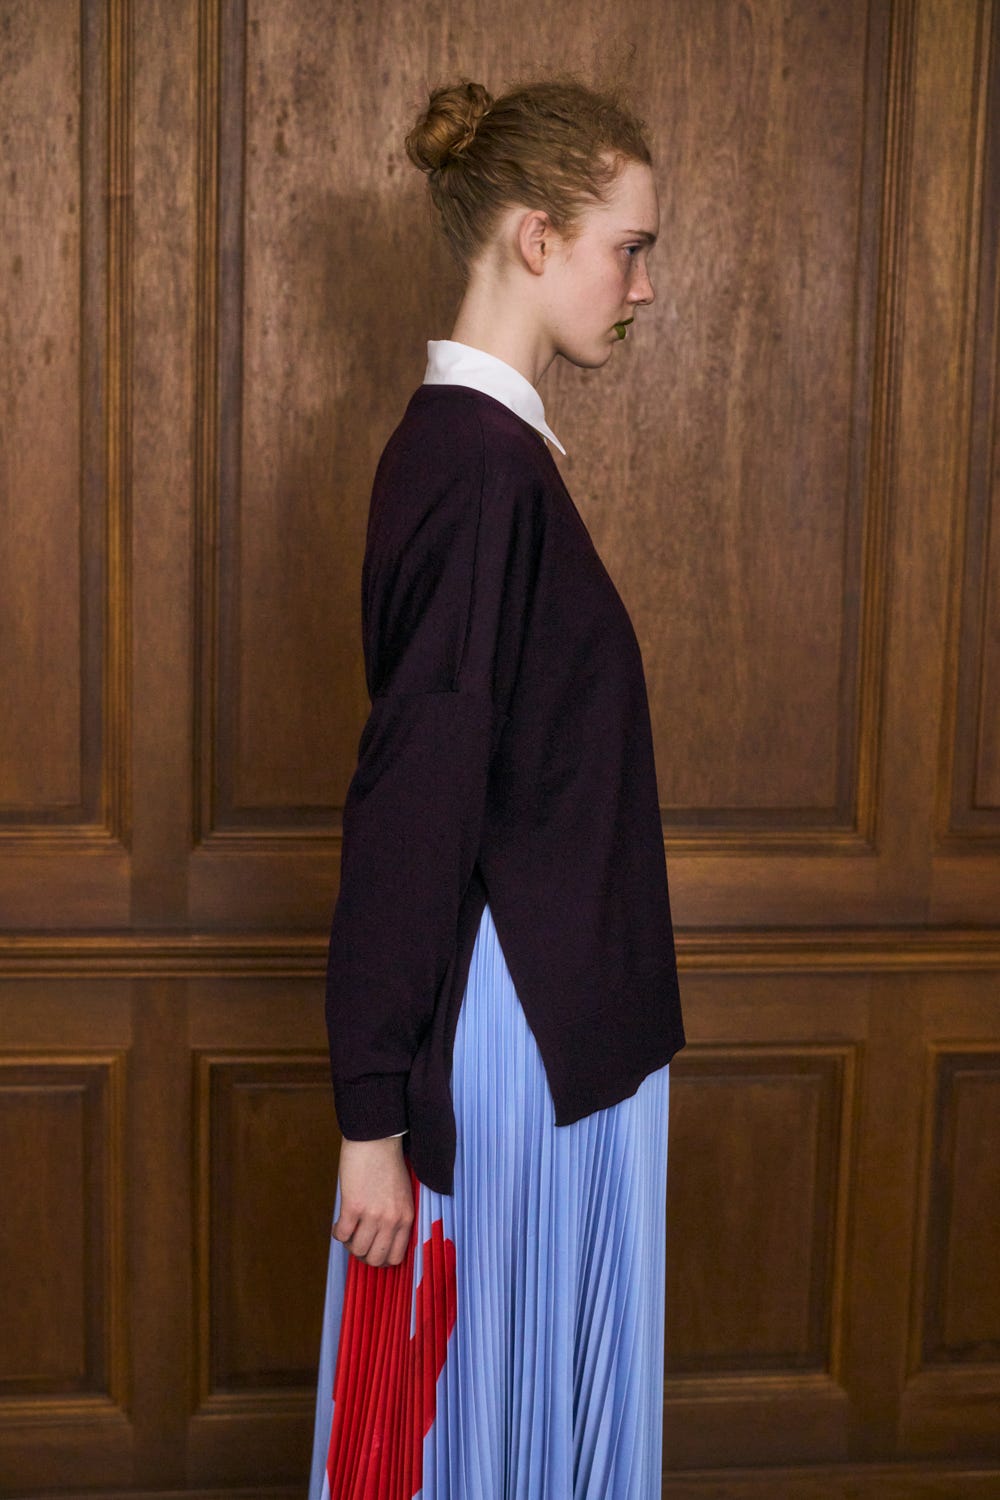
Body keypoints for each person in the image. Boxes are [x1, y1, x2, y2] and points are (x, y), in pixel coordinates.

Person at [309, 75, 685, 1500]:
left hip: (555, 1040)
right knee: (482, 1441)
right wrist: (371, 1121)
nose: (643, 286)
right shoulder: (477, 471)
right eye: (627, 247)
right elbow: (413, 801)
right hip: (521, 1050)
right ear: (536, 237)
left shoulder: (491, 460)